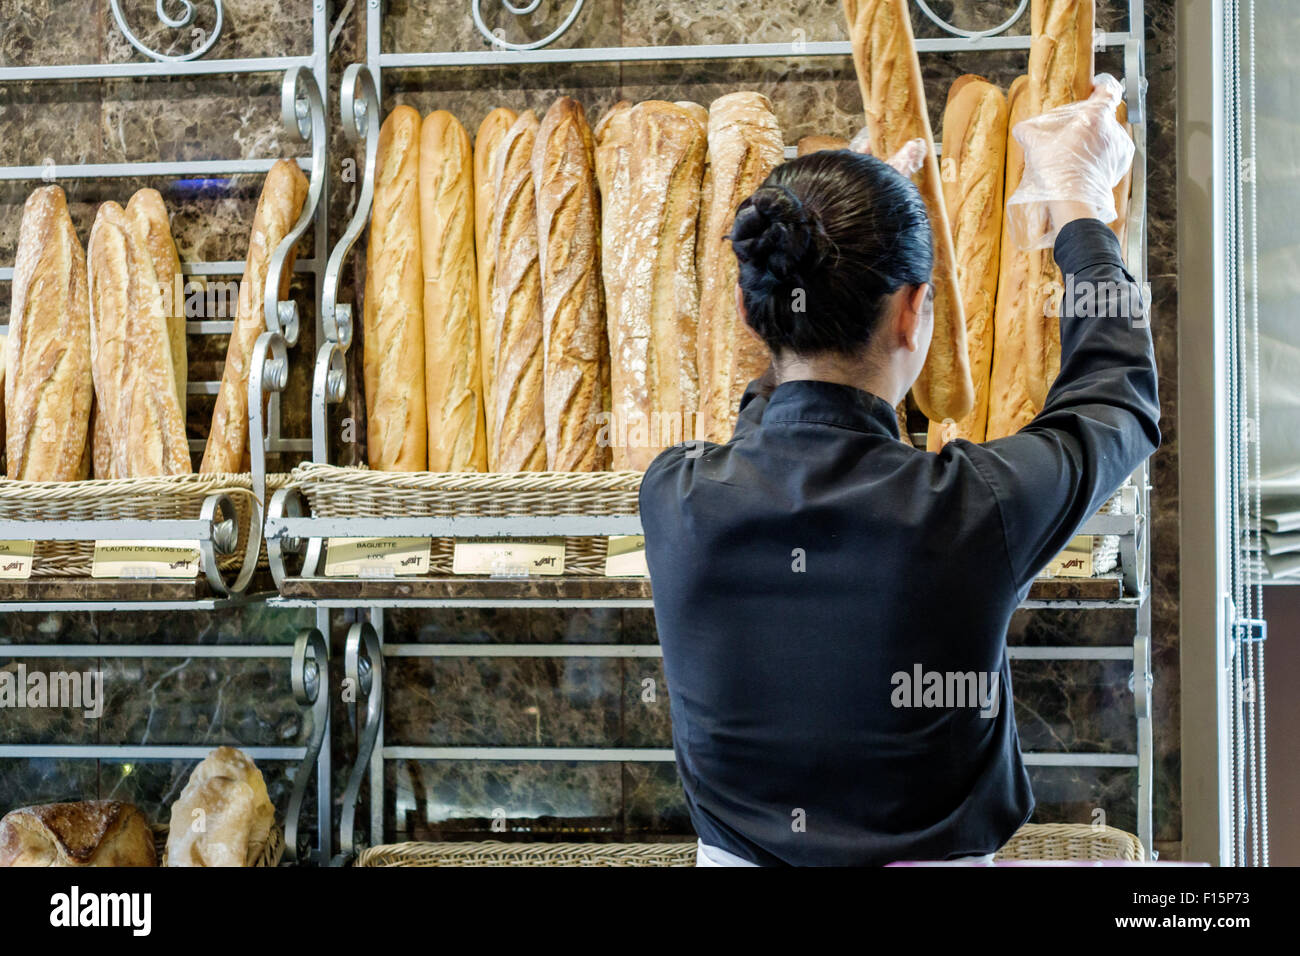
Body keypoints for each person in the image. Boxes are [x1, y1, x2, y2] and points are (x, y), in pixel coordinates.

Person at [639, 78, 1159, 866]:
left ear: (752, 315)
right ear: (914, 312)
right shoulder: (975, 508)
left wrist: (812, 264)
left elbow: (770, 420)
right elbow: (1117, 397)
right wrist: (1080, 202)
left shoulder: (674, 496)